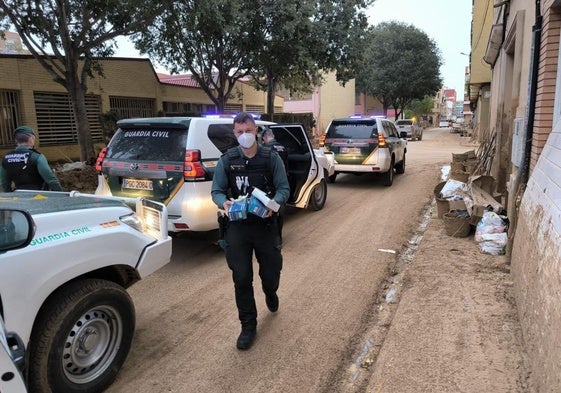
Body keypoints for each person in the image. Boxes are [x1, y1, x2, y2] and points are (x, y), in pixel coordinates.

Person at [211, 112, 290, 350]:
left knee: (270, 272)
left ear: (256, 131)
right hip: (237, 226)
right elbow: (217, 191)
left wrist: (272, 204)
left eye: (248, 131)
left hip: (265, 225)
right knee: (242, 277)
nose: (244, 136)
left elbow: (283, 188)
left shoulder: (271, 158)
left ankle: (270, 292)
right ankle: (248, 326)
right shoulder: (227, 160)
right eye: (239, 132)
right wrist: (223, 202)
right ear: (234, 134)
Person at [0, 126, 63, 192]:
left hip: (18, 196)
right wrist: (62, 196)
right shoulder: (36, 156)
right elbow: (51, 180)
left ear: (16, 140)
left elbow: (4, 183)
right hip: (39, 195)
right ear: (31, 139)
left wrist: (11, 197)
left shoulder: (6, 158)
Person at [261, 128, 288, 242]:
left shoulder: (266, 149)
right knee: (280, 211)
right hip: (282, 181)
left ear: (265, 138)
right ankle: (279, 238)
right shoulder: (282, 147)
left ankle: (272, 238)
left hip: (270, 184)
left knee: (271, 212)